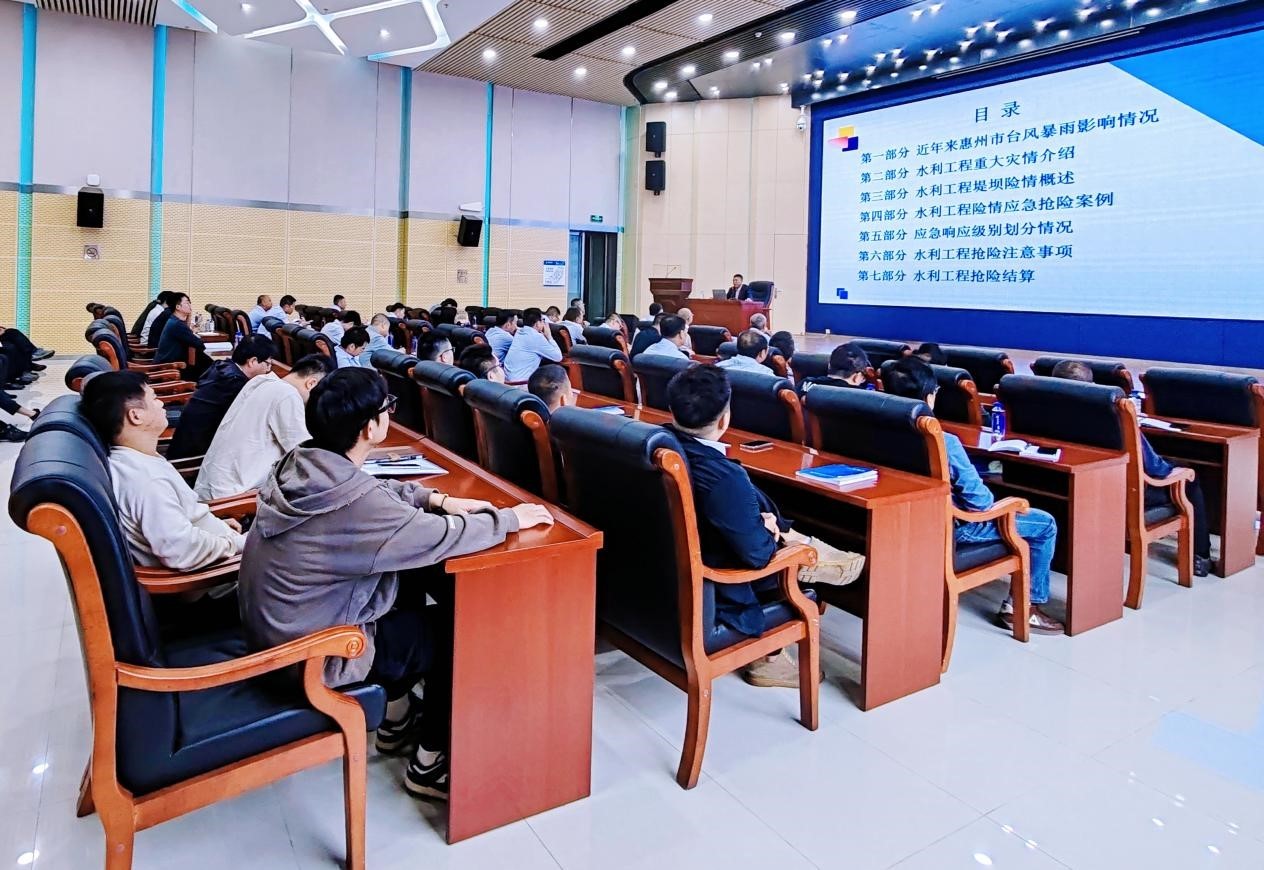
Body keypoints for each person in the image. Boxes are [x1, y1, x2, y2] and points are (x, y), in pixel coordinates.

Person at [238, 367, 554, 798]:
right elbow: (441, 537)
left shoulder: (302, 463)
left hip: (279, 633)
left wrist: (435, 497)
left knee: (403, 587)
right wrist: (509, 519)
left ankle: (396, 719)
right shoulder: (354, 504)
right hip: (315, 658)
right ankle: (429, 764)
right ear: (370, 427)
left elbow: (372, 493)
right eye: (388, 407)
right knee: (460, 629)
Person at [665, 364, 865, 687]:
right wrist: (767, 532)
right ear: (725, 419)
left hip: (665, 571)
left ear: (671, 409)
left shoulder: (657, 445)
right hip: (717, 586)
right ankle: (807, 559)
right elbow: (758, 556)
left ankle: (802, 542)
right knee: (783, 548)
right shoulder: (723, 478)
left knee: (761, 509)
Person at [885, 357, 1064, 632]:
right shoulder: (943, 441)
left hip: (902, 524)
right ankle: (1024, 607)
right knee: (1045, 524)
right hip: (954, 528)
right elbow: (981, 504)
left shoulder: (877, 430)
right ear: (930, 396)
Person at [1050, 360, 1211, 576]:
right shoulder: (1115, 415)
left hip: (1080, 488)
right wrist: (1174, 469)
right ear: (1093, 386)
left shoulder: (1043, 409)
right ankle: (1201, 556)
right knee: (1189, 477)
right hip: (1126, 495)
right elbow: (1156, 469)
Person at [81, 371, 244, 570]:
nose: (160, 404)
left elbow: (178, 522)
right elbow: (180, 550)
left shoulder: (134, 459)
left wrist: (217, 527)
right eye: (154, 398)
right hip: (219, 573)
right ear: (136, 415)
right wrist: (235, 543)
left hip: (215, 543)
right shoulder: (147, 481)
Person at [194, 354, 332, 500]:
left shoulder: (261, 381)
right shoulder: (288, 395)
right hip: (233, 498)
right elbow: (304, 456)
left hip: (210, 488)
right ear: (311, 383)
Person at [166, 335, 276, 461]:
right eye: (268, 364)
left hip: (183, 443)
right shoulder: (235, 384)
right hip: (196, 456)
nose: (268, 369)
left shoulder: (222, 367)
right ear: (252, 361)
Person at [156, 292, 212, 381]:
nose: (190, 306)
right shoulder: (176, 324)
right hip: (169, 368)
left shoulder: (174, 320)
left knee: (205, 362)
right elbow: (199, 344)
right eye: (187, 303)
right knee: (209, 368)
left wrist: (188, 318)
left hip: (170, 365)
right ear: (178, 307)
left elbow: (190, 337)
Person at [503, 307, 563, 382]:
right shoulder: (536, 337)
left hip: (507, 380)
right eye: (543, 320)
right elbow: (558, 357)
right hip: (519, 384)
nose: (544, 323)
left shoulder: (520, 332)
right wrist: (549, 336)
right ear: (537, 324)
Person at [799, 342, 872, 392]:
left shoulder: (806, 383)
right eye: (863, 377)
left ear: (829, 365)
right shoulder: (862, 397)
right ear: (856, 377)